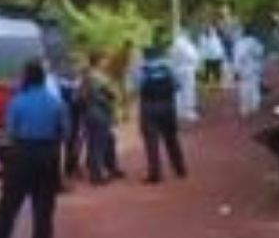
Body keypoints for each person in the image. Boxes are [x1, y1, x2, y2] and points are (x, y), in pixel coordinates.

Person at [0, 59, 67, 238]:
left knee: (9, 206)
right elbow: (64, 132)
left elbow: (10, 131)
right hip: (48, 154)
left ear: (26, 78)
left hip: (22, 154)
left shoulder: (17, 101)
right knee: (44, 209)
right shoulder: (56, 102)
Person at [134, 44, 187, 183]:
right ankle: (180, 168)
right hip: (168, 106)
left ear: (145, 56)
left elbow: (136, 87)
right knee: (172, 139)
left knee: (151, 142)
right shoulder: (168, 68)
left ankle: (155, 174)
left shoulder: (142, 70)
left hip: (149, 107)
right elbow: (178, 86)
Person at [82, 52, 124, 184]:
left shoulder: (87, 76)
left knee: (107, 140)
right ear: (98, 61)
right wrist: (113, 97)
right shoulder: (98, 77)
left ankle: (110, 168)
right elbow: (111, 94)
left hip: (92, 112)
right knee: (98, 144)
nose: (106, 63)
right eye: (104, 60)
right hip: (99, 112)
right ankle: (97, 175)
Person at [169, 28, 201, 122]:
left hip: (177, 70)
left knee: (178, 92)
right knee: (188, 91)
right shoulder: (187, 45)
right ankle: (188, 111)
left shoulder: (174, 45)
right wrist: (196, 66)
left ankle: (178, 111)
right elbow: (193, 57)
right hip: (187, 71)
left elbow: (171, 59)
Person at [232, 30, 265, 118]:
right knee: (254, 88)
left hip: (245, 70)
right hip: (253, 69)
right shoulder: (254, 41)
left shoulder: (239, 44)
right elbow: (260, 52)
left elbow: (238, 58)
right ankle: (254, 107)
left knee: (245, 89)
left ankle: (246, 109)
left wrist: (236, 71)